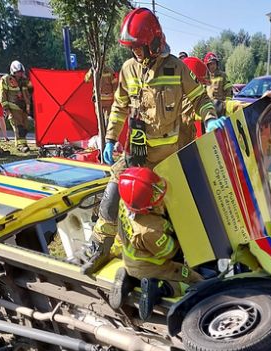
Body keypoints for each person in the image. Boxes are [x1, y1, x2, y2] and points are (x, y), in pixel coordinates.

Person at [82, 8, 219, 271]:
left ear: (154, 42)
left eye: (139, 47)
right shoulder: (128, 69)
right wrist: (110, 138)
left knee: (180, 209)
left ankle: (194, 260)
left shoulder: (176, 68)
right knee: (112, 193)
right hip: (137, 153)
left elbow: (200, 98)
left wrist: (210, 117)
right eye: (131, 48)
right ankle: (98, 248)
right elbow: (120, 106)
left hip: (170, 158)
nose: (135, 52)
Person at [117, 166, 201, 317]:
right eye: (154, 195)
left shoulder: (126, 202)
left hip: (130, 259)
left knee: (139, 270)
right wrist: (183, 236)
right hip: (153, 266)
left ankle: (132, 280)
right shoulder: (150, 231)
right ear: (143, 207)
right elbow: (170, 252)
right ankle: (159, 288)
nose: (159, 195)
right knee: (195, 281)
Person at [0, 61, 34, 153]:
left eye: (21, 72)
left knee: (25, 127)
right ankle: (21, 146)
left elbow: (30, 91)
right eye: (18, 72)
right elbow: (2, 94)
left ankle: (21, 143)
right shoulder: (6, 79)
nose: (20, 74)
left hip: (23, 108)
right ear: (13, 72)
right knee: (19, 128)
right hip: (13, 108)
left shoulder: (24, 80)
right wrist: (6, 109)